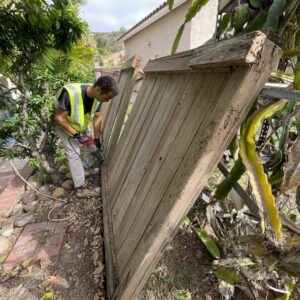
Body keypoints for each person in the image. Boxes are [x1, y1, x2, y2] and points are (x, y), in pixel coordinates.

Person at [54, 76, 118, 190]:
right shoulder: (70, 93)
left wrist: (96, 139)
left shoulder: (97, 97)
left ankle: (86, 168)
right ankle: (80, 186)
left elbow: (98, 117)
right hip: (64, 126)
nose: (107, 101)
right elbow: (58, 118)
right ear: (98, 89)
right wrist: (77, 135)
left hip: (80, 125)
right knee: (74, 153)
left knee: (91, 146)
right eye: (107, 97)